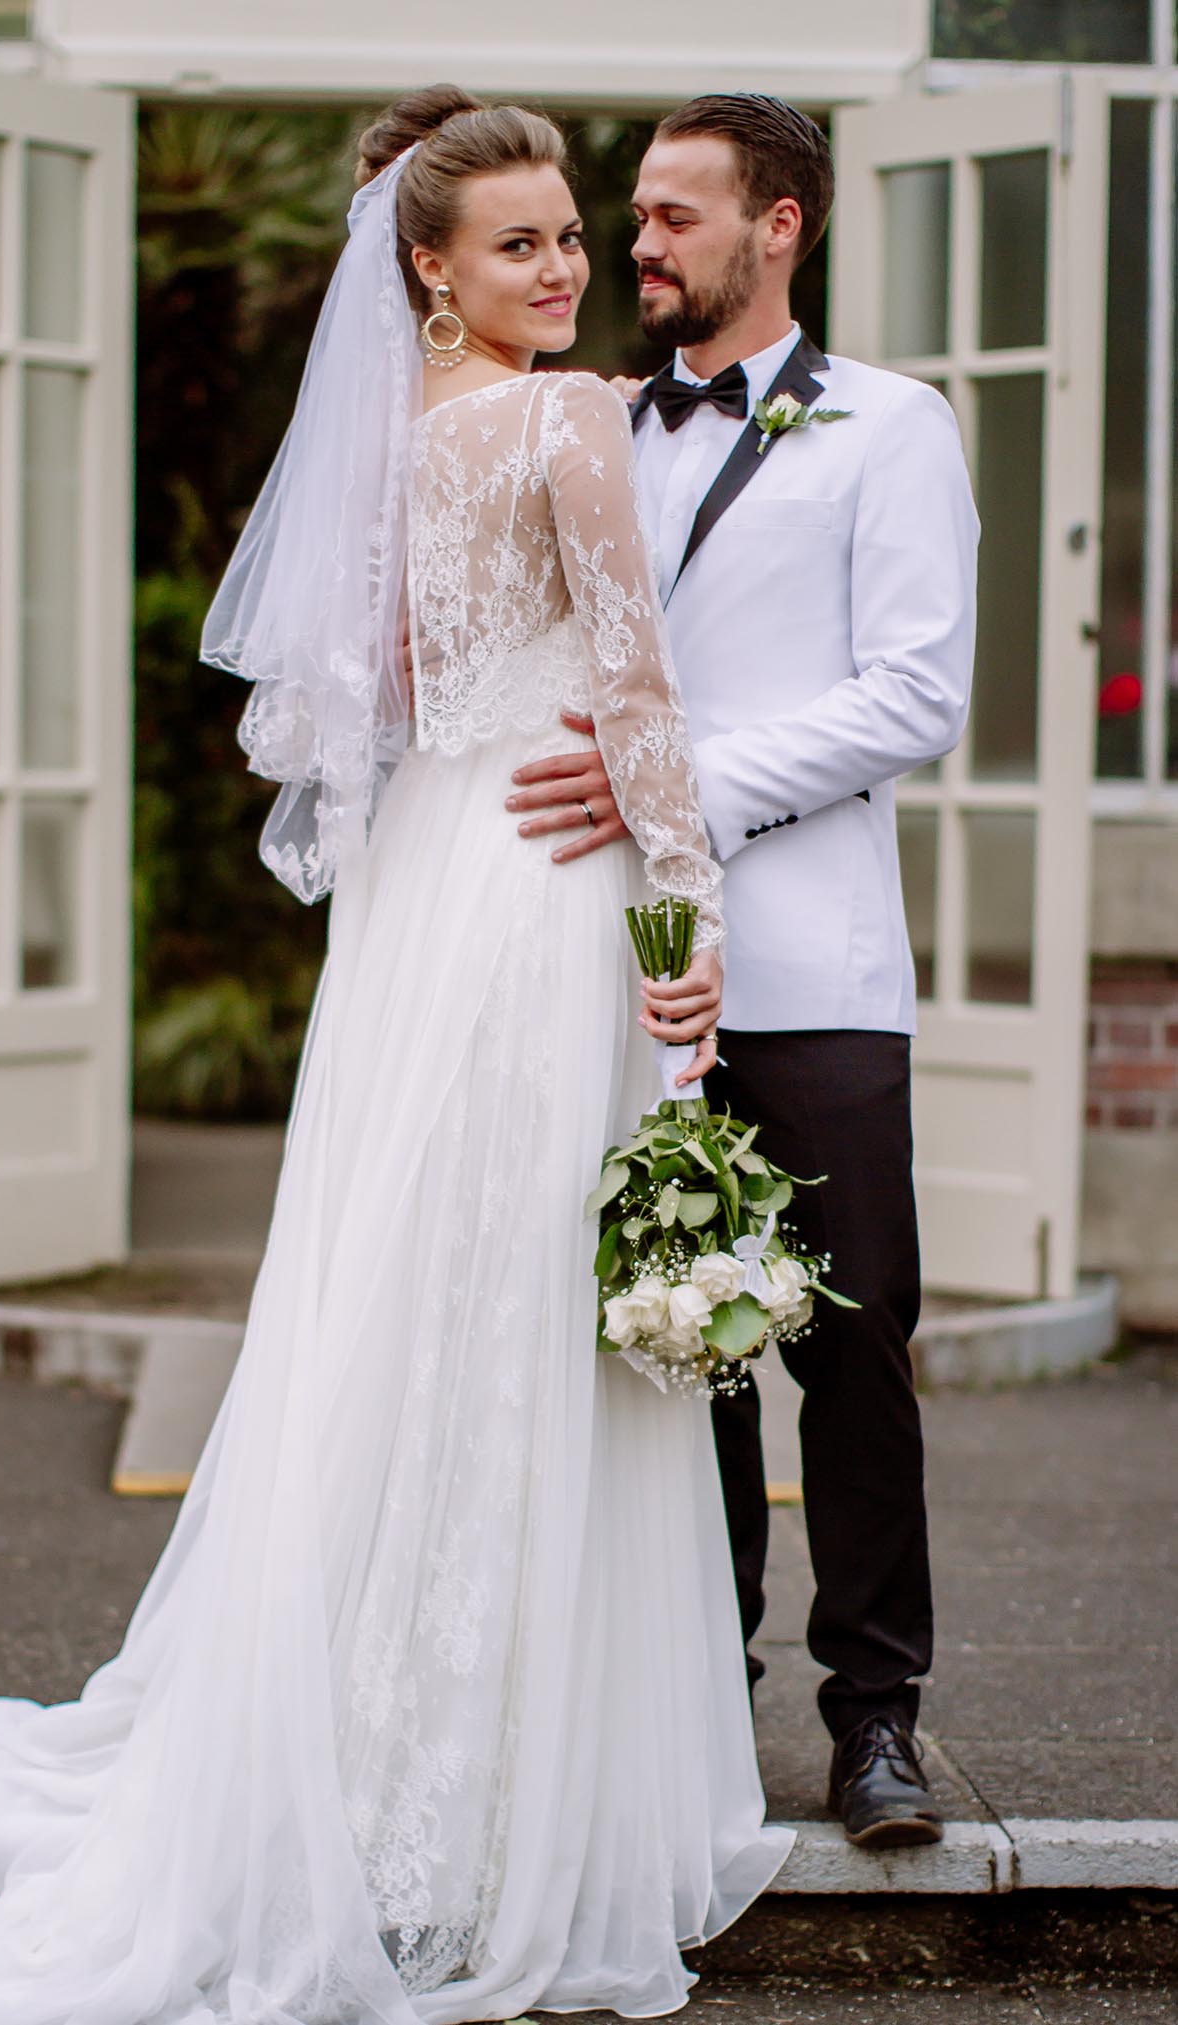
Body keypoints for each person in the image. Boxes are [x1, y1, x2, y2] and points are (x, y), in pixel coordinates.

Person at [0, 91, 793, 2023]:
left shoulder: (389, 447)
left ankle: (383, 1758)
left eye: (569, 238)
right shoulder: (571, 416)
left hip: (427, 904)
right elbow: (636, 694)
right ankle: (487, 1796)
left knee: (414, 1311)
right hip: (539, 908)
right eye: (516, 242)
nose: (560, 268)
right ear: (425, 263)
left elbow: (391, 713)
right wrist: (689, 938)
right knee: (512, 1317)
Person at [506, 93, 979, 1849]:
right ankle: (695, 1692)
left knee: (852, 1348)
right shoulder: (584, 426)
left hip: (815, 963)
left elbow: (913, 693)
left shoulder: (891, 428)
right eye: (633, 214)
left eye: (675, 216)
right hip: (617, 965)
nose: (636, 246)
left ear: (780, 227)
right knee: (667, 1351)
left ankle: (876, 1721)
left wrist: (676, 780)